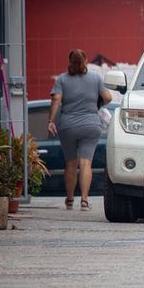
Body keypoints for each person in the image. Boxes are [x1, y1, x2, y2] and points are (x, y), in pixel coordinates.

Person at [47, 48, 113, 211]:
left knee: (71, 162)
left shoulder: (62, 79)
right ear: (86, 61)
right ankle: (84, 200)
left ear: (70, 61)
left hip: (68, 125)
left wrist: (51, 120)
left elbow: (56, 99)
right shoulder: (95, 78)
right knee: (85, 163)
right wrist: (97, 105)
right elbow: (108, 97)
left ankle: (70, 199)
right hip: (91, 124)